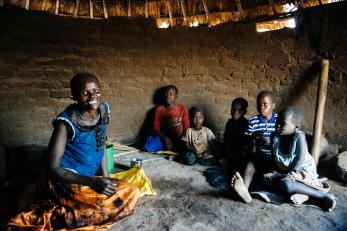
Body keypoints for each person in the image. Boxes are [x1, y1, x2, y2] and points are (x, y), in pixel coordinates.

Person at [6, 73, 140, 230]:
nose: (92, 96)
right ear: (75, 96)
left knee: (132, 192)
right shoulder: (65, 123)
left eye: (95, 91)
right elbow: (53, 168)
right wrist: (92, 182)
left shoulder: (103, 111)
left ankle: (75, 208)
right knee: (104, 207)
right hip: (65, 180)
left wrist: (105, 176)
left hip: (89, 178)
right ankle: (56, 213)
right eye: (85, 92)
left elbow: (101, 143)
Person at [266, 107, 336, 211]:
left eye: (282, 123)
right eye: (277, 121)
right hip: (286, 169)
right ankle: (303, 193)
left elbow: (299, 159)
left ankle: (322, 196)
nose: (278, 125)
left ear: (296, 127)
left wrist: (287, 174)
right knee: (264, 178)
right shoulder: (274, 136)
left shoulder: (299, 137)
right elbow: (274, 157)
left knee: (287, 185)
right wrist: (274, 172)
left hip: (301, 169)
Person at [231, 91, 277, 203]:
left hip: (275, 156)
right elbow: (246, 142)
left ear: (273, 105)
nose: (261, 107)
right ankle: (244, 190)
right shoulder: (253, 122)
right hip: (258, 155)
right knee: (249, 167)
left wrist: (272, 140)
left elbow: (285, 140)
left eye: (265, 104)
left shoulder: (279, 120)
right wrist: (253, 137)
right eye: (259, 104)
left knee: (273, 176)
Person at [153, 85, 190, 151]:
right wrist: (165, 138)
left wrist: (183, 141)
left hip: (180, 139)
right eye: (166, 93)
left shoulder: (182, 109)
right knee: (149, 146)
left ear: (176, 97)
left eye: (171, 94)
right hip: (164, 138)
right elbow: (156, 129)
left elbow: (187, 128)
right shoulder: (159, 109)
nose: (168, 95)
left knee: (189, 148)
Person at [223, 97, 249, 172]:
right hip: (230, 150)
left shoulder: (246, 124)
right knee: (214, 143)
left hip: (240, 152)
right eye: (233, 109)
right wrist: (227, 152)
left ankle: (230, 163)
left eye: (239, 110)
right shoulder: (229, 123)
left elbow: (245, 144)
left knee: (242, 155)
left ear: (244, 112)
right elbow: (226, 139)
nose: (235, 112)